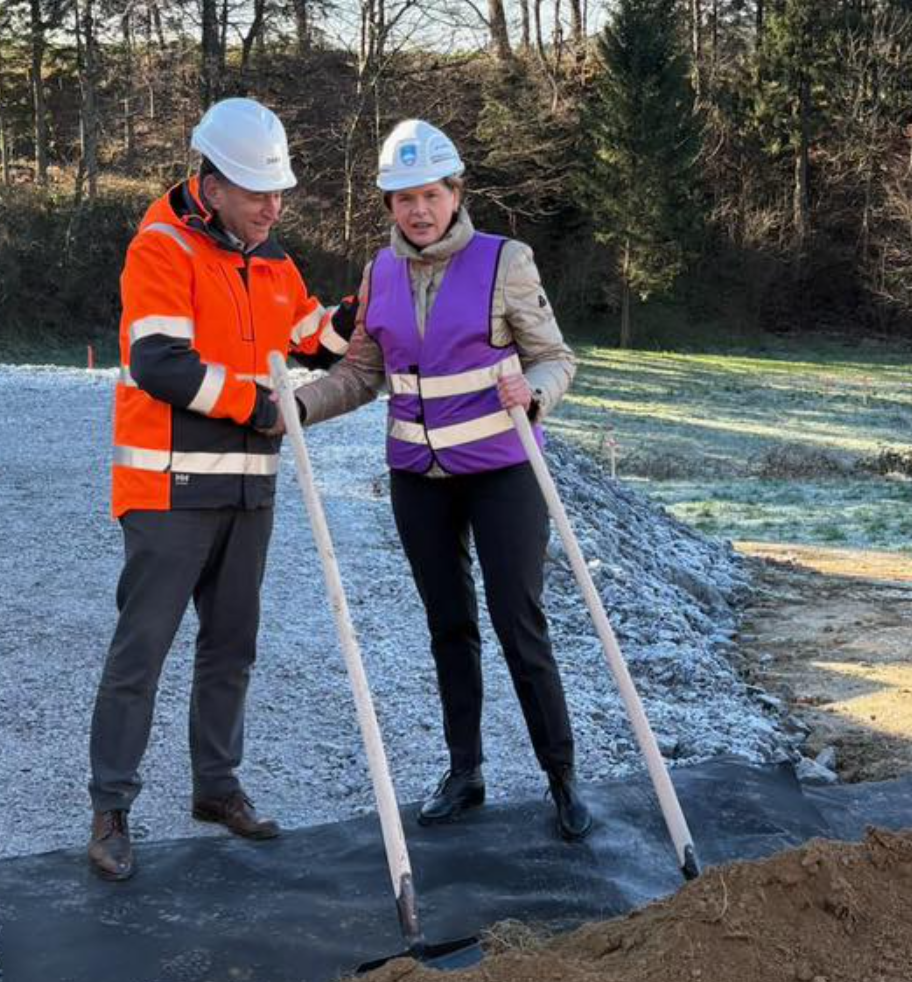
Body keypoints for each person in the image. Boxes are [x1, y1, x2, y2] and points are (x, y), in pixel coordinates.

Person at [294, 119, 591, 842]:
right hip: (417, 480)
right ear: (388, 206)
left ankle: (562, 777)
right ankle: (465, 772)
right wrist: (294, 408)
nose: (417, 211)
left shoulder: (505, 261)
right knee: (447, 627)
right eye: (402, 199)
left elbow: (555, 357)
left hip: (502, 474)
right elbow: (363, 374)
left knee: (517, 622)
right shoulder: (378, 273)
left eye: (429, 195)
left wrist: (537, 392)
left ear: (456, 194)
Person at [86, 97, 355, 881]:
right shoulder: (160, 248)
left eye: (279, 194)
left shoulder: (269, 256)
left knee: (232, 647)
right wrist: (259, 406)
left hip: (248, 493)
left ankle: (216, 789)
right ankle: (110, 809)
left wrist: (359, 311)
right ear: (210, 182)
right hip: (168, 491)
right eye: (256, 193)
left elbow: (307, 336)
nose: (273, 207)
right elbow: (159, 362)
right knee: (141, 654)